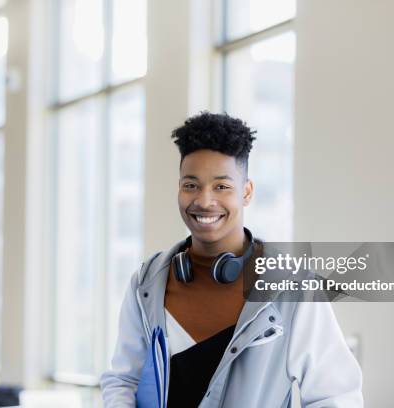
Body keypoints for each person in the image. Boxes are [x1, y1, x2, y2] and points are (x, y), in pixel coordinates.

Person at [100, 112, 363, 407]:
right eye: (191, 185)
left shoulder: (294, 288)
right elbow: (124, 379)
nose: (204, 201)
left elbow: (336, 396)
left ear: (246, 192)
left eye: (221, 186)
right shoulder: (147, 282)